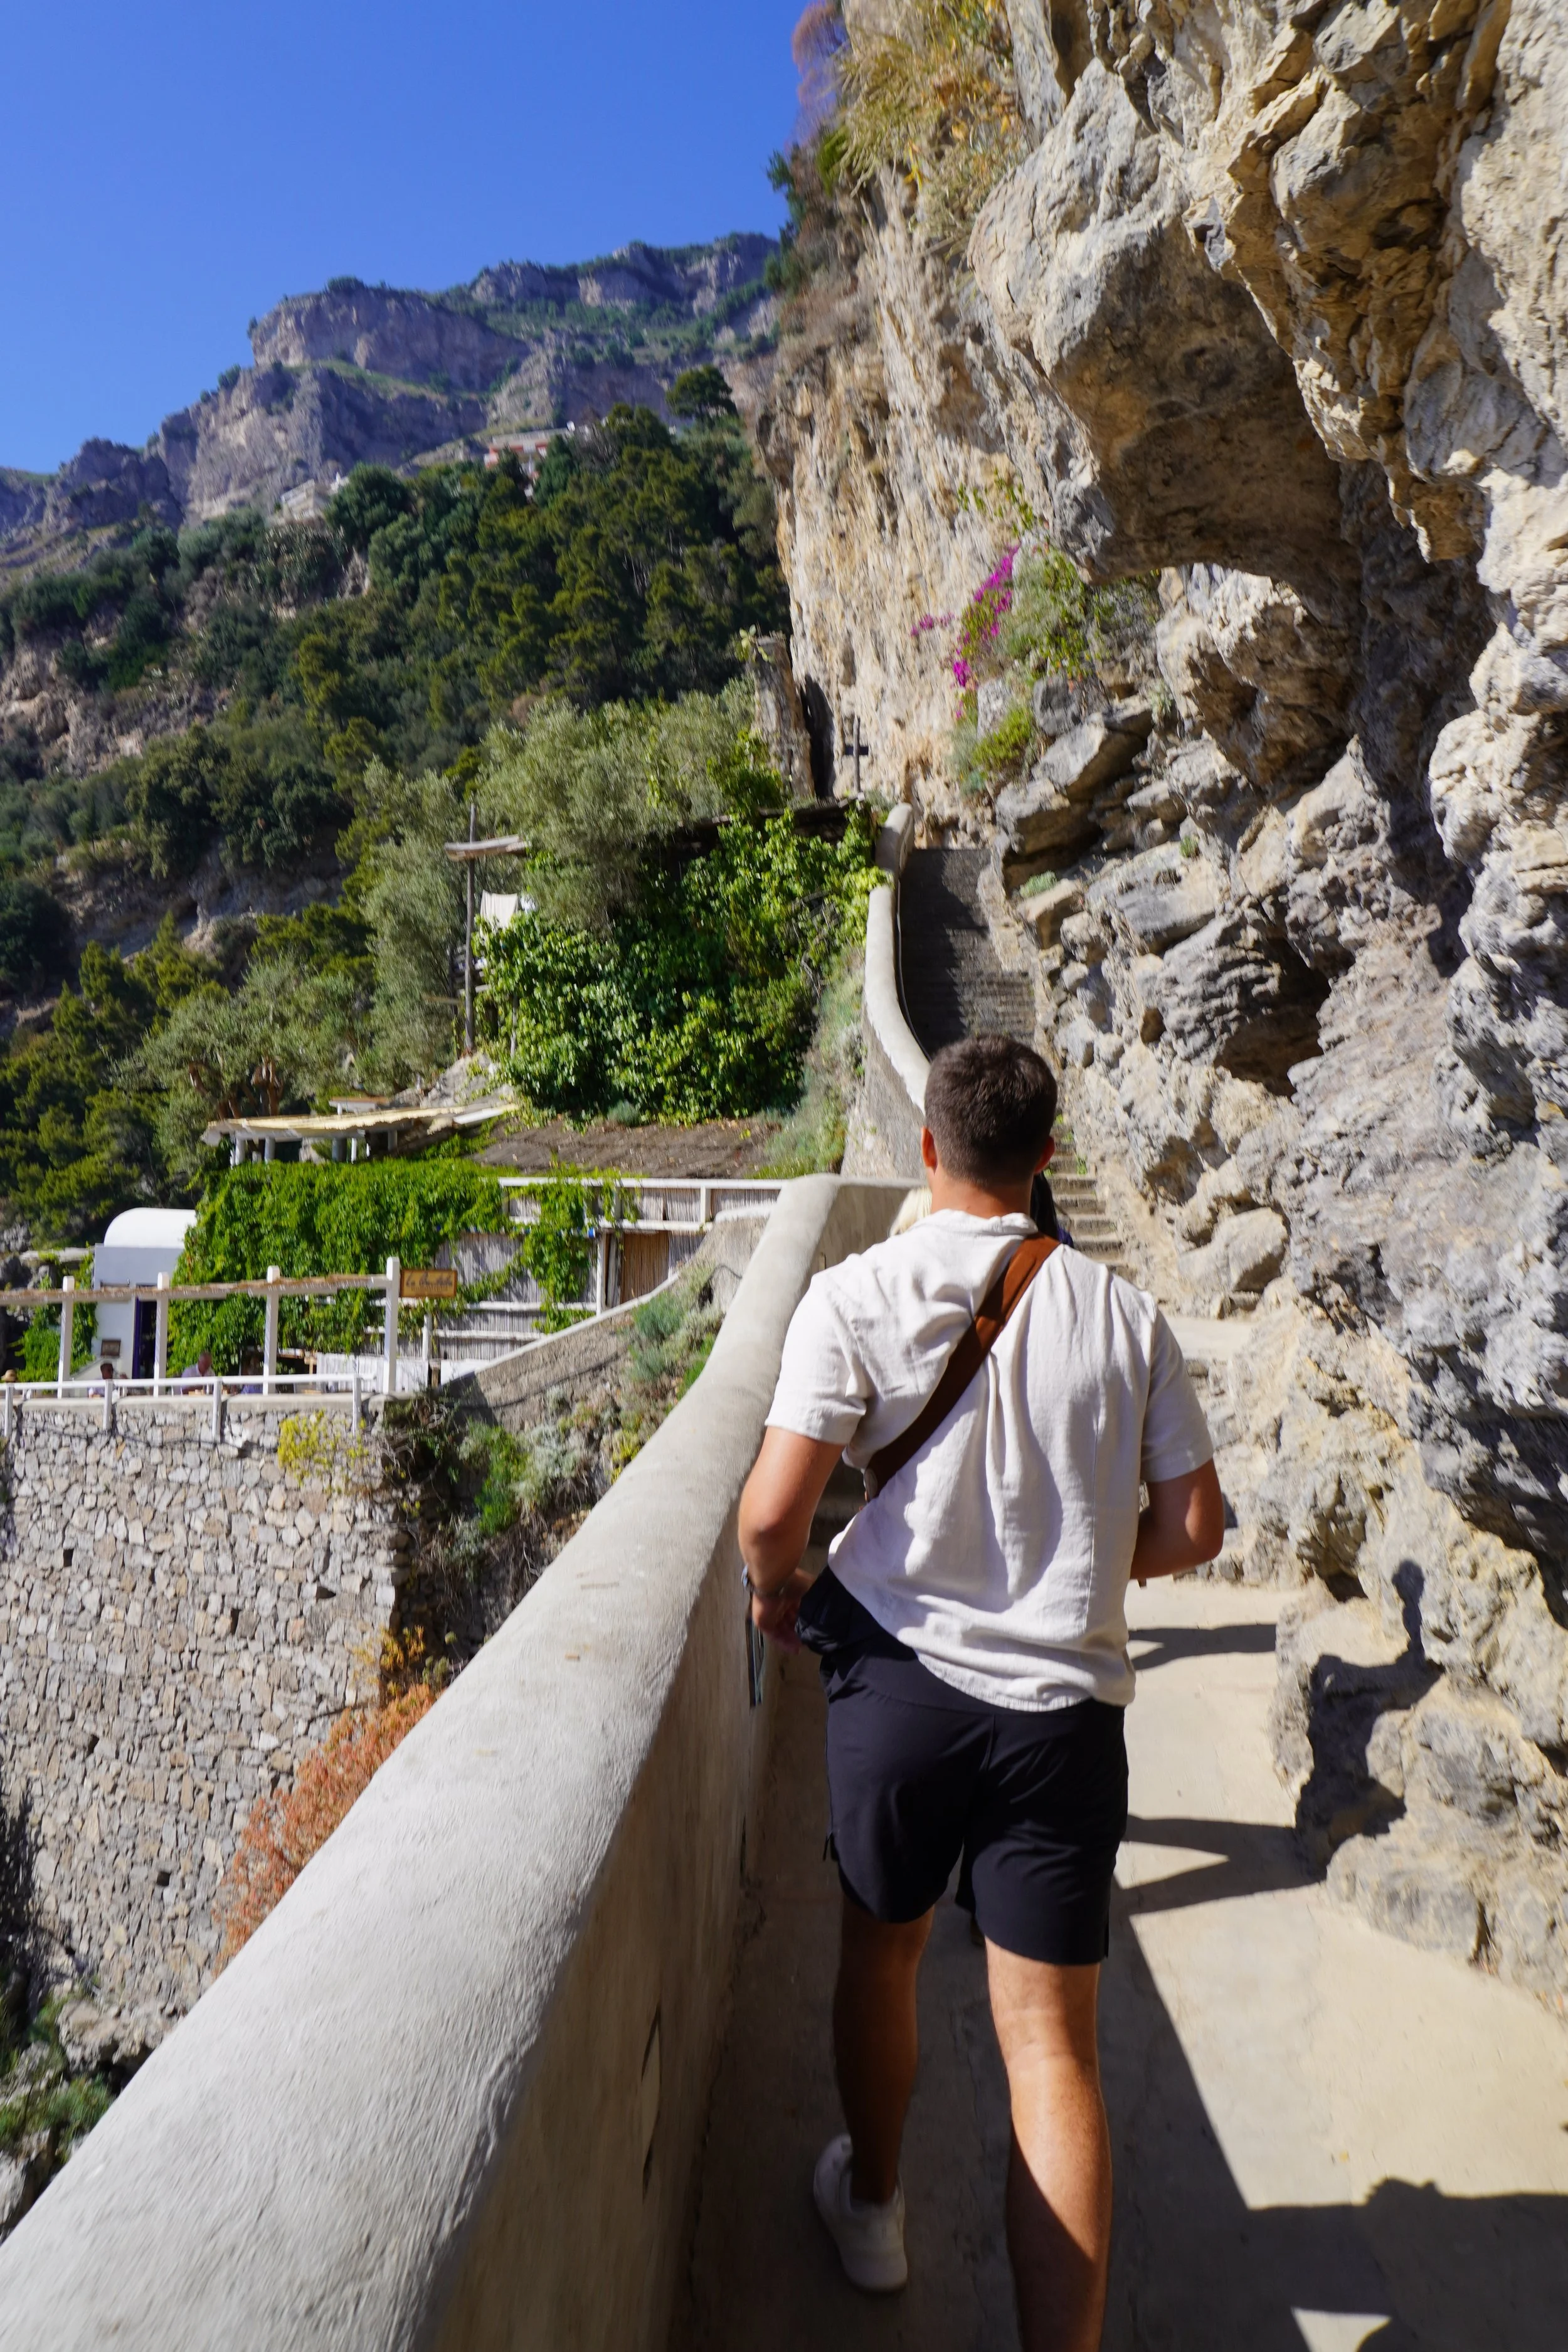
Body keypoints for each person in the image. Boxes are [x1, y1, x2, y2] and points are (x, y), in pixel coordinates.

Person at [738, 1034, 1222, 2352]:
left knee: (879, 1956)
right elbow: (1193, 1527)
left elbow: (771, 1515)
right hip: (1063, 1717)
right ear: (1047, 1159)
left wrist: (776, 1596)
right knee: (1051, 2050)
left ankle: (877, 2206)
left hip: (896, 1683)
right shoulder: (1124, 1313)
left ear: (927, 1148)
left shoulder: (855, 1294)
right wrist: (1082, 1561)